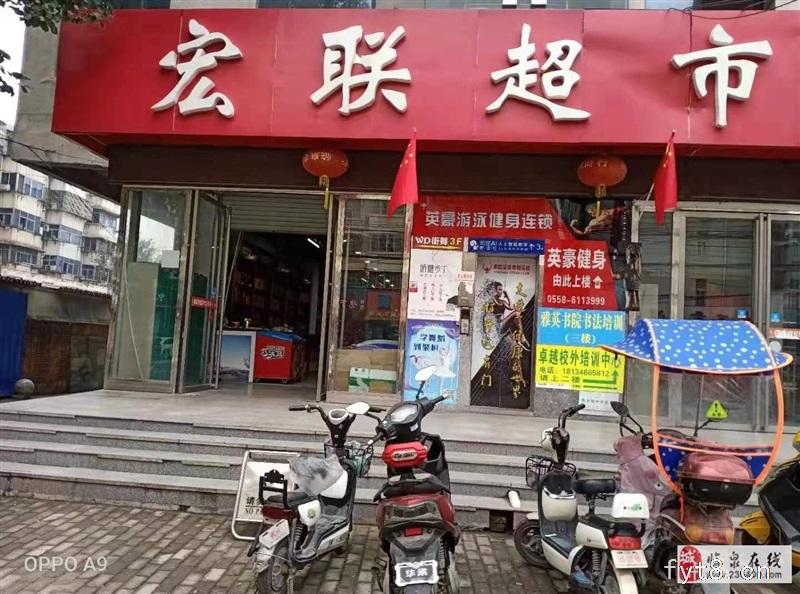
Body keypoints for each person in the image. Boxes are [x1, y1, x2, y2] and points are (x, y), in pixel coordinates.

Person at [488, 282, 531, 351]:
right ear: (495, 290)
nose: (501, 292)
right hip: (498, 326)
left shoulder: (502, 302)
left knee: (516, 316)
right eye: (499, 289)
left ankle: (520, 338)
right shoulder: (491, 301)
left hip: (503, 324)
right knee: (516, 313)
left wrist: (507, 295)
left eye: (502, 290)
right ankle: (522, 337)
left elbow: (511, 307)